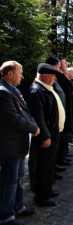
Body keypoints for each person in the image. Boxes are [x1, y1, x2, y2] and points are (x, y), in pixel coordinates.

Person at [0, 61, 40, 224]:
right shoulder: (3, 92)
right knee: (9, 181)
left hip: (18, 144)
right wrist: (33, 127)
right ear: (10, 74)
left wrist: (33, 124)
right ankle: (5, 215)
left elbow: (24, 111)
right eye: (20, 73)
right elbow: (13, 118)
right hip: (9, 146)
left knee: (17, 178)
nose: (22, 76)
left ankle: (18, 207)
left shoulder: (13, 90)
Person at [27, 63, 65, 207]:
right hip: (46, 137)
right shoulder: (36, 90)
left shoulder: (45, 88)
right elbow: (38, 117)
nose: (55, 79)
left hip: (53, 134)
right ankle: (41, 197)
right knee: (43, 167)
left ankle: (46, 190)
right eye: (53, 76)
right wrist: (45, 136)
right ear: (44, 76)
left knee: (49, 167)